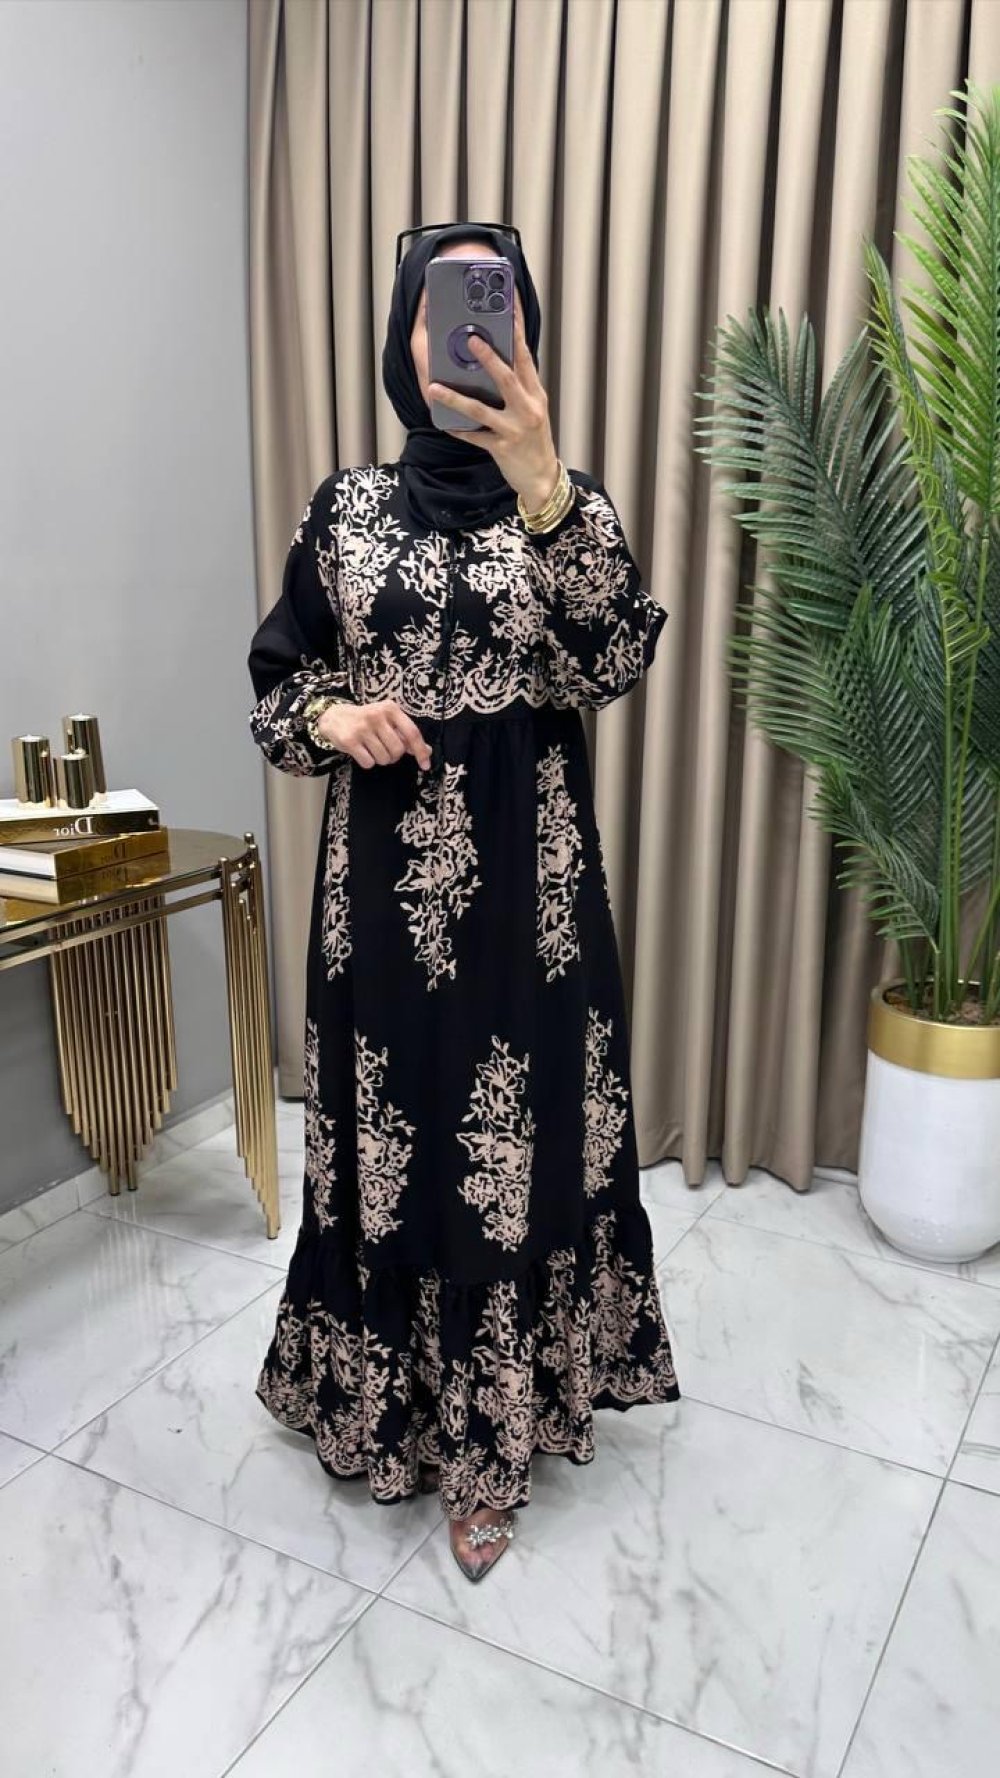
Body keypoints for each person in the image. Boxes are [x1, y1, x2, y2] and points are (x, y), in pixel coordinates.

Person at [247, 221, 680, 1583]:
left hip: (530, 917)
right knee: (393, 1148)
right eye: (447, 305)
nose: (471, 332)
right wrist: (336, 716)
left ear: (525, 334)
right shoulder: (344, 511)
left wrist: (545, 481)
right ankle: (377, 1406)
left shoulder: (563, 509)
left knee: (514, 1154)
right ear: (407, 333)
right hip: (375, 912)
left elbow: (614, 660)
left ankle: (493, 1446)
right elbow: (276, 687)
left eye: (498, 307)